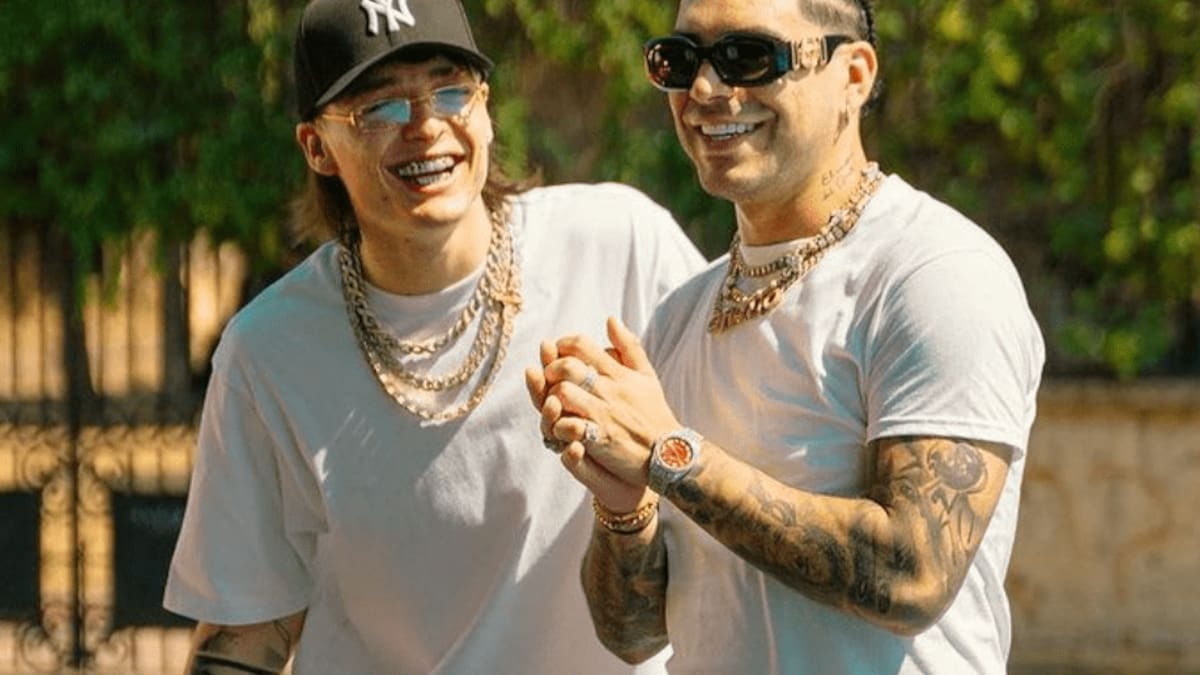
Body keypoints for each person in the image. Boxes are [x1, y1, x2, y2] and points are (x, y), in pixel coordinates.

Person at [162, 0, 704, 672]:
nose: (424, 127)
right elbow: (248, 629)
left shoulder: (620, 244)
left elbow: (739, 470)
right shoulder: (268, 351)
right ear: (316, 147)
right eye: (380, 107)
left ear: (486, 108)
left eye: (451, 91)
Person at [527, 0, 1045, 672]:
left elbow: (912, 574)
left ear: (853, 76)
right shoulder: (681, 314)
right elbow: (633, 634)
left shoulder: (934, 274)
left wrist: (669, 454)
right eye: (679, 61)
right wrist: (623, 503)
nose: (705, 88)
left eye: (749, 57)